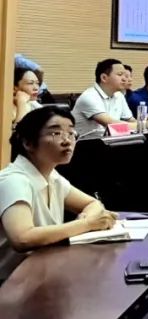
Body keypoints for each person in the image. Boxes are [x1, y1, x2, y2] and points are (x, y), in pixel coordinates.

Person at [0, 107, 116, 280]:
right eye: (56, 133)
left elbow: (92, 203)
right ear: (28, 143)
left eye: (71, 133)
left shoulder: (52, 175)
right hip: (9, 282)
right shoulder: (13, 180)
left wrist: (88, 219)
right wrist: (87, 224)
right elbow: (22, 238)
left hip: (42, 272)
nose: (67, 141)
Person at [72, 58, 137, 139]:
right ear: (104, 78)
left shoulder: (119, 95)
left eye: (125, 75)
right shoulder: (89, 97)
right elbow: (112, 125)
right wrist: (144, 125)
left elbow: (131, 120)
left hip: (111, 141)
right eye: (120, 74)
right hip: (86, 144)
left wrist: (143, 125)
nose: (124, 79)